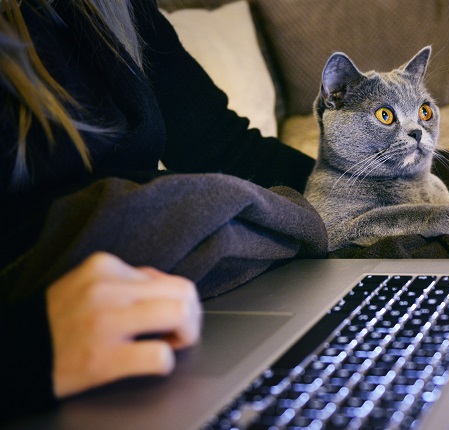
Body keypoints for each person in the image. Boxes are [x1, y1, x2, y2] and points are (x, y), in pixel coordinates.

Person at [0, 0, 449, 428]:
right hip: (105, 283)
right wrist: (29, 352)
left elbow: (217, 145)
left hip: (223, 244)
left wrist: (353, 183)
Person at [0, 0, 321, 421]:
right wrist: (31, 350)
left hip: (173, 315)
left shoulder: (115, 7)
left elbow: (224, 148)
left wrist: (396, 184)